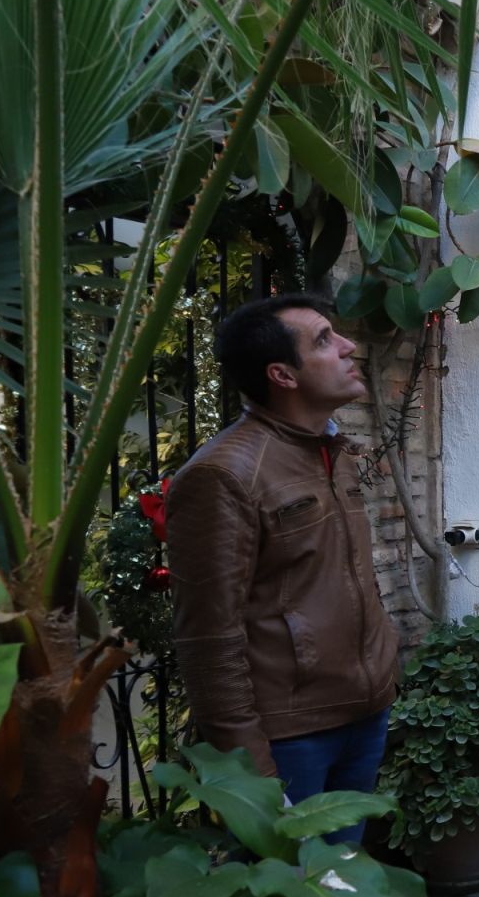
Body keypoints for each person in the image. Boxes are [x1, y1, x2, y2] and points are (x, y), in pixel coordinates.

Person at [167, 294, 398, 841]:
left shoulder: (331, 452)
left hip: (363, 717)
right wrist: (253, 773)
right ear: (282, 375)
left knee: (340, 884)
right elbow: (208, 636)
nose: (347, 347)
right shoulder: (224, 475)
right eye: (323, 340)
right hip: (290, 736)